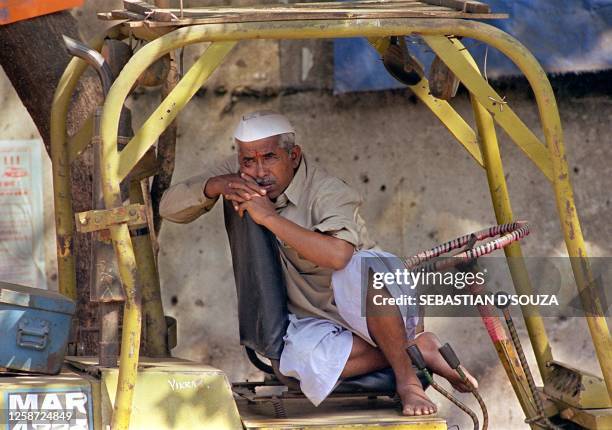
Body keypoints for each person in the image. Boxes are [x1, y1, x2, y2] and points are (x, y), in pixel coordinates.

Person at [159, 110, 477, 416]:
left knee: (361, 267)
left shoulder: (328, 191)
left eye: (269, 158)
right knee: (294, 368)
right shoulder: (245, 171)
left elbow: (339, 256)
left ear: (293, 156)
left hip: (374, 307)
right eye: (248, 161)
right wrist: (216, 185)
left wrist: (269, 218)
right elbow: (168, 207)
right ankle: (420, 349)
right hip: (316, 316)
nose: (257, 171)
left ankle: (408, 379)